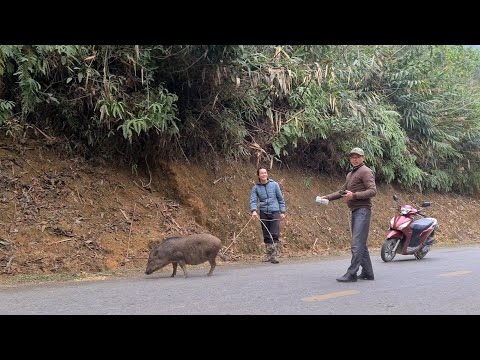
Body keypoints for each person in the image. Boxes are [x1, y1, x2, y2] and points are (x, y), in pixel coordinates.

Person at [317, 147, 377, 282]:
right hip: (356, 210)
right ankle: (368, 272)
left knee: (356, 244)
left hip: (363, 210)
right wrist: (327, 197)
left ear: (363, 158)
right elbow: (342, 192)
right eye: (352, 157)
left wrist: (354, 195)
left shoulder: (365, 171)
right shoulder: (351, 174)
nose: (354, 159)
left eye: (357, 157)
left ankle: (351, 274)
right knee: (360, 243)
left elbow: (373, 191)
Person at [250, 167, 286, 264]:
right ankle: (268, 255)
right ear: (258, 175)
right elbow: (253, 200)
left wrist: (282, 211)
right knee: (266, 234)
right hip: (263, 212)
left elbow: (280, 199)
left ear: (267, 174)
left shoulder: (275, 185)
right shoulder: (256, 188)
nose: (264, 174)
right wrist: (254, 210)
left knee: (274, 233)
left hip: (275, 211)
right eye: (261, 173)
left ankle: (274, 255)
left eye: (265, 173)